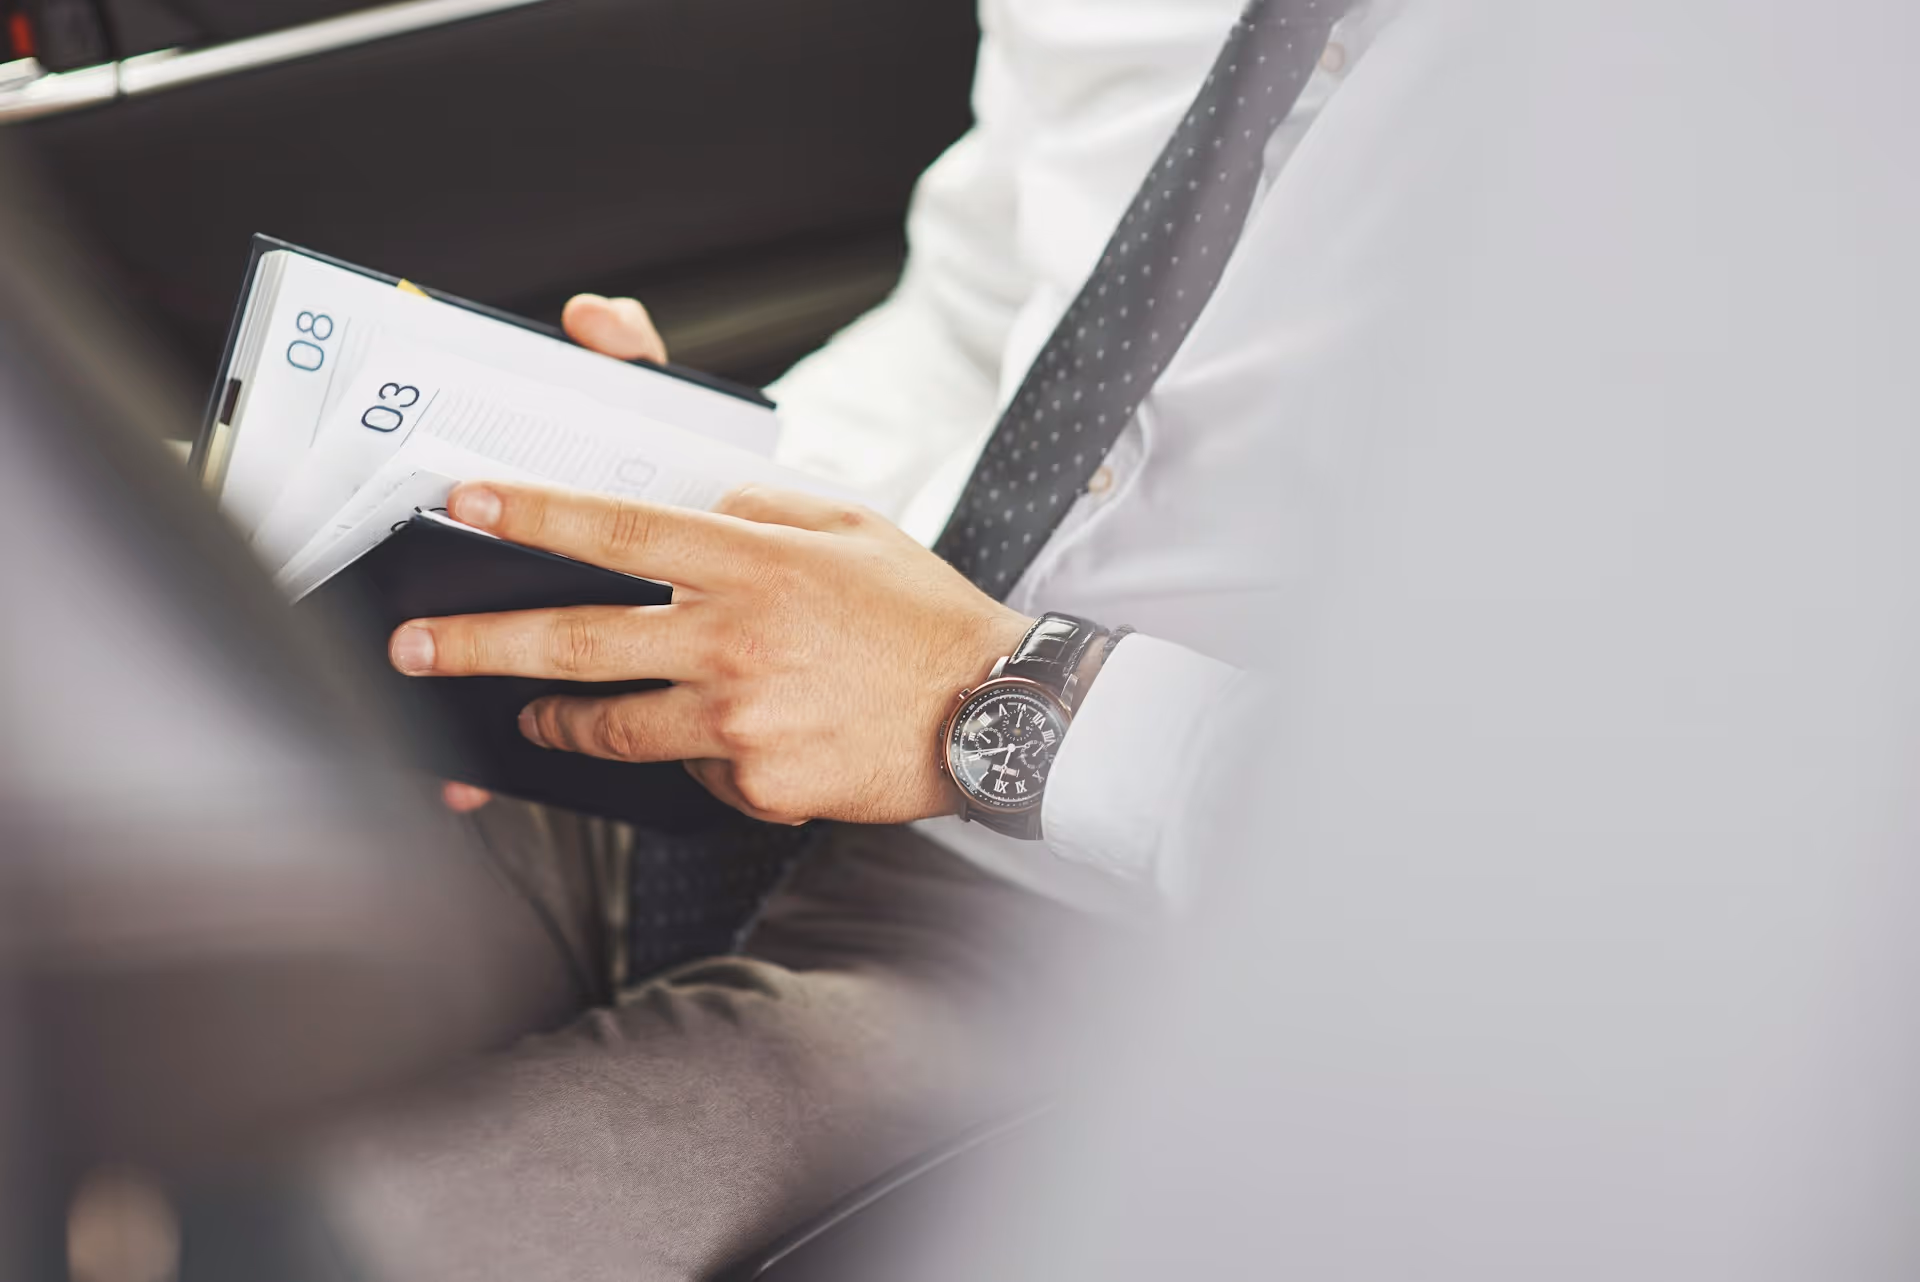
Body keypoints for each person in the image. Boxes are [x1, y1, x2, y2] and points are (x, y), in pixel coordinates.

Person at [317, 2, 1411, 1278]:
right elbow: (970, 325)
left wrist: (1000, 706)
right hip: (739, 751)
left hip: (1144, 951)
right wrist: (686, 508)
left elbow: (1615, 887)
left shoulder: (1659, 134)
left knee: (317, 1241)